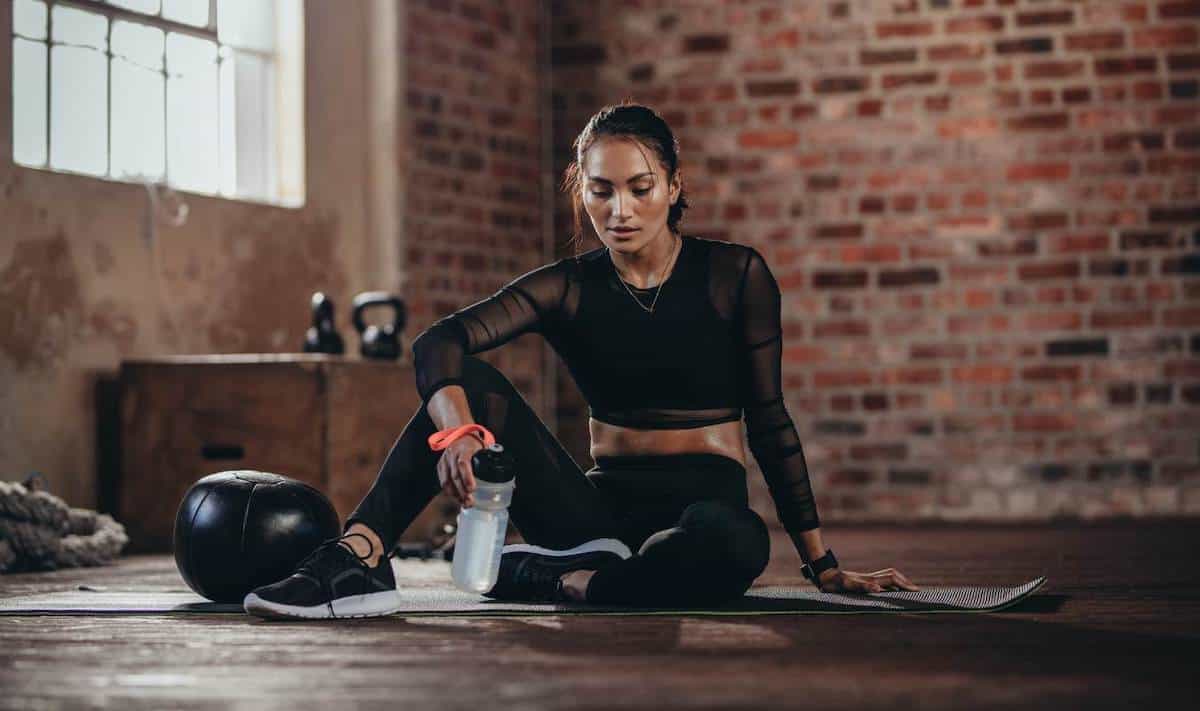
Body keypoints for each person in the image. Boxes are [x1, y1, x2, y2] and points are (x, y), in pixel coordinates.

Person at [244, 102, 918, 620]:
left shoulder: (736, 276)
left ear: (675, 185)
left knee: (738, 542)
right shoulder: (568, 286)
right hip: (593, 519)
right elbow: (439, 341)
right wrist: (460, 428)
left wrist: (822, 564)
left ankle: (554, 579)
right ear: (581, 189)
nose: (619, 210)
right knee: (467, 385)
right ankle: (359, 556)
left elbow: (770, 421)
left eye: (639, 187)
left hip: (702, 514)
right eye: (601, 191)